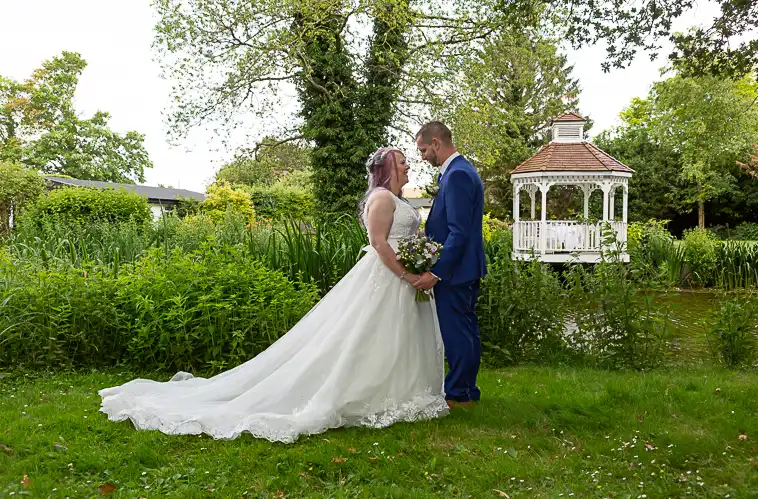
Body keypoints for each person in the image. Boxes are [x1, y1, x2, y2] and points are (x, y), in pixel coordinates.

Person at [99, 147, 449, 443]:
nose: (407, 165)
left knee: (392, 339)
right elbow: (377, 243)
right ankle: (362, 393)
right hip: (388, 278)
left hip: (403, 280)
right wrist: (408, 274)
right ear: (388, 168)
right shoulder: (383, 198)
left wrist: (418, 263)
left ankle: (400, 392)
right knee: (364, 337)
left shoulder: (397, 198)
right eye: (402, 161)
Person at [414, 122, 487, 408]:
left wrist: (436, 272)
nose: (422, 156)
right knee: (467, 331)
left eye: (423, 150)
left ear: (436, 142)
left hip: (456, 272)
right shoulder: (460, 171)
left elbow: (459, 231)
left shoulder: (456, 175)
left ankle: (457, 393)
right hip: (465, 268)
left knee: (457, 333)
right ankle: (468, 390)